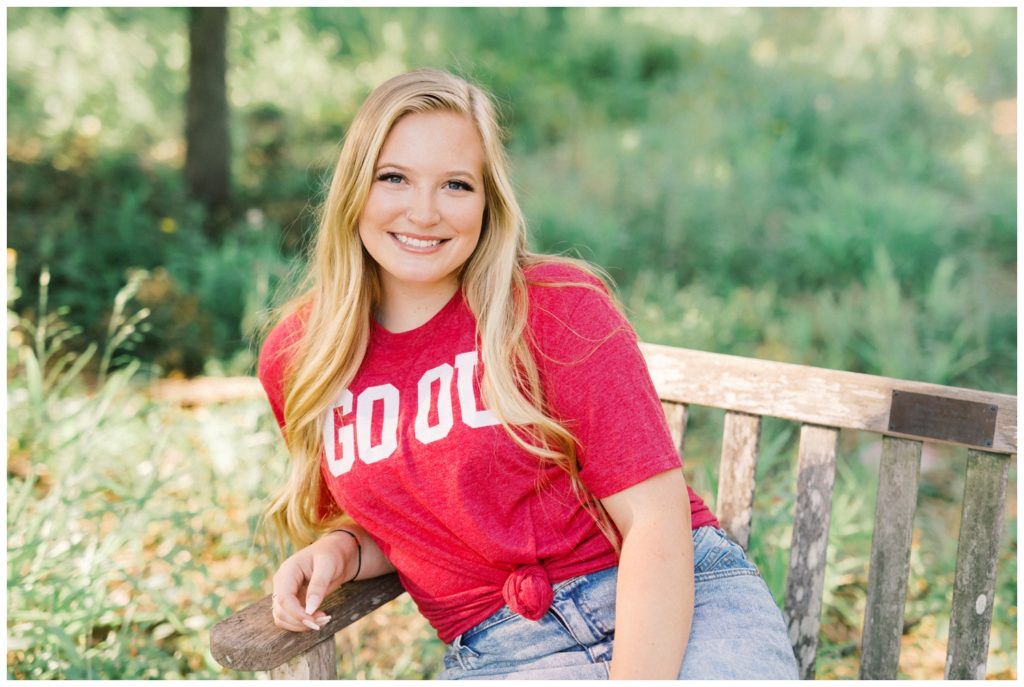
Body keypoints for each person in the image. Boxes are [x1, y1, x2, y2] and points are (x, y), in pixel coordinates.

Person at [257, 68, 798, 679]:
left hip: (675, 600)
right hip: (506, 652)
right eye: (394, 178)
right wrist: (344, 550)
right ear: (355, 188)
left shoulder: (555, 307)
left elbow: (654, 520)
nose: (424, 212)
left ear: (489, 202)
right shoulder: (302, 356)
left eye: (457, 185)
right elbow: (413, 521)